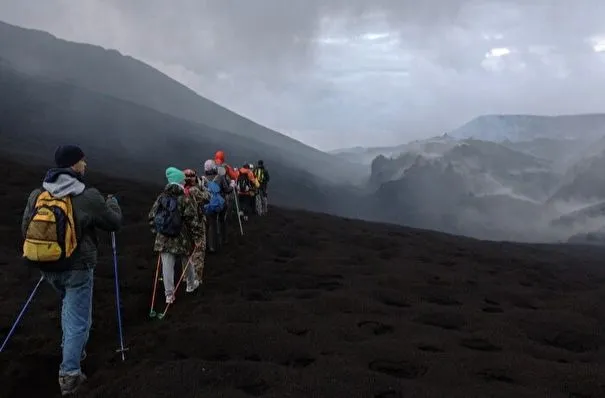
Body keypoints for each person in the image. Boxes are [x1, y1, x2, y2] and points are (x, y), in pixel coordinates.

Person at [20, 145, 122, 396]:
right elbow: (113, 223)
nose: (85, 165)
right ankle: (70, 375)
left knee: (70, 310)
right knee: (78, 320)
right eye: (83, 161)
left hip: (48, 266)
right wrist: (113, 205)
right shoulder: (86, 195)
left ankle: (72, 350)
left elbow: (26, 228)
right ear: (74, 165)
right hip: (77, 268)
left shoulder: (38, 194)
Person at [148, 167, 202, 305]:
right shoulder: (184, 198)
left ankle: (169, 295)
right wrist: (197, 237)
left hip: (164, 239)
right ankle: (190, 285)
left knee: (167, 266)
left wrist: (158, 233)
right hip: (181, 238)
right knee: (187, 261)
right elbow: (192, 220)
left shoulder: (161, 197)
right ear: (179, 181)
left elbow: (152, 217)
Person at [183, 169, 210, 282]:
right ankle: (196, 279)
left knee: (187, 251)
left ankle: (186, 277)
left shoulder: (182, 189)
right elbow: (207, 197)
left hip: (184, 225)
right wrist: (203, 186)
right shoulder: (194, 190)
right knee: (198, 250)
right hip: (196, 224)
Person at [202, 159, 233, 252]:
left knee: (211, 224)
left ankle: (211, 246)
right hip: (220, 204)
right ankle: (224, 240)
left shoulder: (202, 179)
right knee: (222, 221)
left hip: (208, 204)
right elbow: (227, 190)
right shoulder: (220, 177)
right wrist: (232, 185)